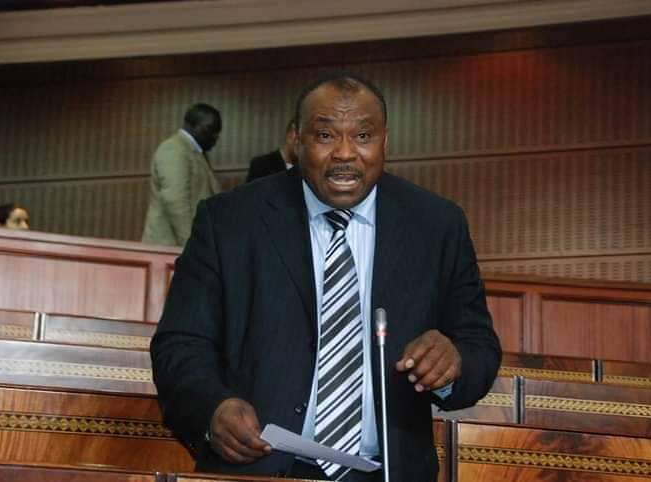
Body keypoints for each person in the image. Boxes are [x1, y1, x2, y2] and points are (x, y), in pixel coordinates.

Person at [151, 72, 501, 482]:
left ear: (385, 141)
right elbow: (180, 343)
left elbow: (479, 345)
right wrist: (212, 409)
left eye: (363, 136)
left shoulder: (437, 225)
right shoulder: (229, 221)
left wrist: (453, 361)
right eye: (325, 136)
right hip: (258, 469)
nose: (345, 153)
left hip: (388, 473)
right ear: (296, 140)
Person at [141, 103, 222, 247]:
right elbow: (176, 201)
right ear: (191, 125)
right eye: (210, 129)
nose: (215, 136)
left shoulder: (197, 153)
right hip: (170, 247)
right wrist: (193, 246)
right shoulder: (174, 149)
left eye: (218, 132)